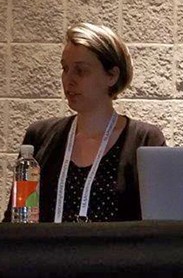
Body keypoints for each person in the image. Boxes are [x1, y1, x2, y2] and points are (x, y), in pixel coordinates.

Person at [3, 23, 165, 223]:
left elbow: (159, 225)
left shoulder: (144, 141)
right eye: (65, 68)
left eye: (80, 71)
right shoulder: (40, 136)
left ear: (112, 76)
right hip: (46, 254)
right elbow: (15, 220)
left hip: (115, 254)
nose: (68, 80)